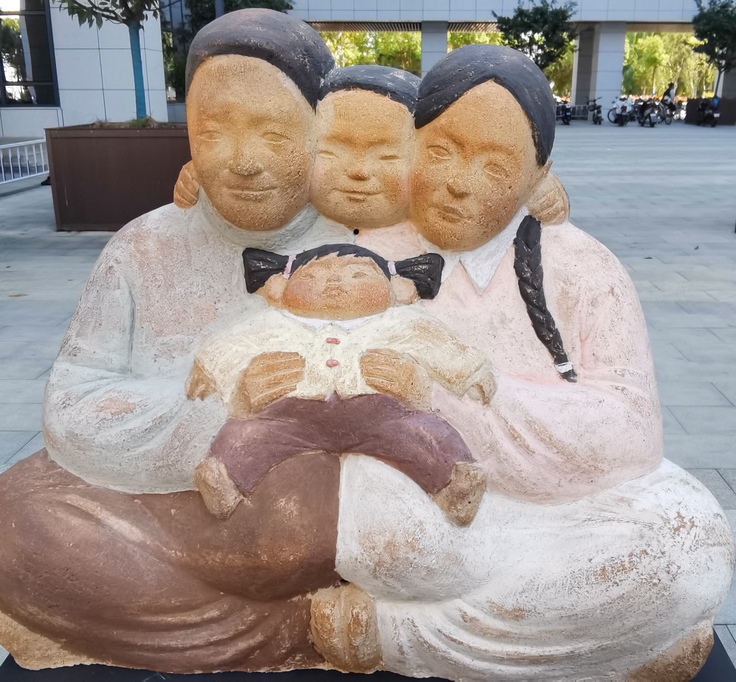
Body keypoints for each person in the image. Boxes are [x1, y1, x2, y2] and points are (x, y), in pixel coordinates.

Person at [311, 45, 735, 680]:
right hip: (426, 513)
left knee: (693, 541)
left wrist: (458, 397)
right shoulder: (363, 254)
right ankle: (607, 638)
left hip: (565, 512)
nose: (459, 182)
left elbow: (631, 431)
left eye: (495, 165)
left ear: (539, 178)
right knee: (389, 541)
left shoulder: (581, 265)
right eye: (441, 152)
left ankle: (400, 637)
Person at [0, 10, 351, 672]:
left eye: (274, 134)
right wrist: (221, 414)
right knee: (13, 522)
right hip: (155, 501)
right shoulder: (144, 244)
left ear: (323, 131)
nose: (243, 162)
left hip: (295, 518)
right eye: (213, 133)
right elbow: (71, 403)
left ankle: (208, 619)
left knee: (306, 519)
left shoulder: (366, 242)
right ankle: (292, 630)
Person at [187, 244, 491, 525]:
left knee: (424, 432)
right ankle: (224, 480)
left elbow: (436, 343)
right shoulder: (273, 323)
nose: (333, 282)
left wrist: (471, 372)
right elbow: (236, 344)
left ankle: (455, 485)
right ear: (280, 287)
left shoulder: (399, 322)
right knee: (247, 435)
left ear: (397, 288)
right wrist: (209, 371)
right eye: (313, 276)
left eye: (357, 275)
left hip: (383, 415)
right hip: (289, 417)